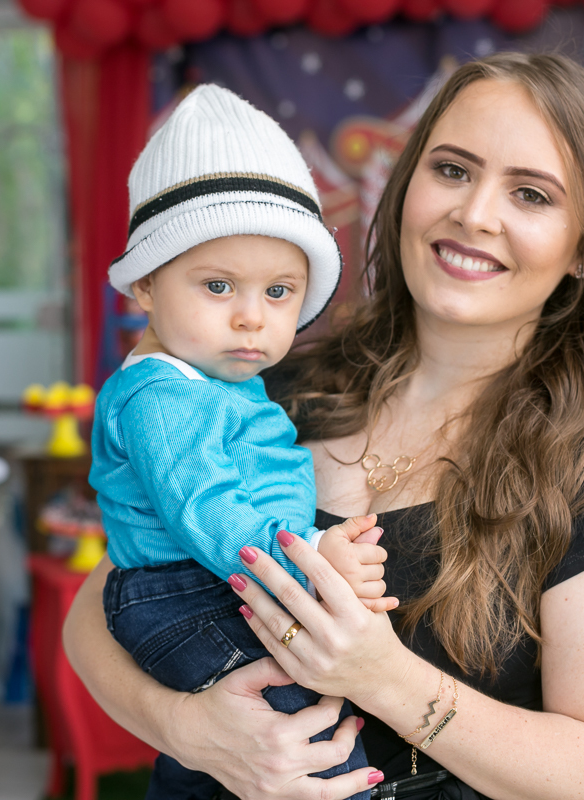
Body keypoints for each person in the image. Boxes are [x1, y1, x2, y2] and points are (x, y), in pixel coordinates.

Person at [67, 51, 584, 800]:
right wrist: (186, 730)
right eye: (453, 171)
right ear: (405, 190)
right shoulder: (268, 390)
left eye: (530, 194)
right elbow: (98, 612)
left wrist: (381, 677)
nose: (475, 214)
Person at [91, 84, 396, 800]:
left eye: (280, 292)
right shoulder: (163, 395)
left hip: (215, 579)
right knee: (296, 728)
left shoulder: (217, 380)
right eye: (219, 286)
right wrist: (312, 555)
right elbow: (206, 506)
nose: (252, 320)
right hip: (180, 590)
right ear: (145, 285)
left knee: (238, 749)